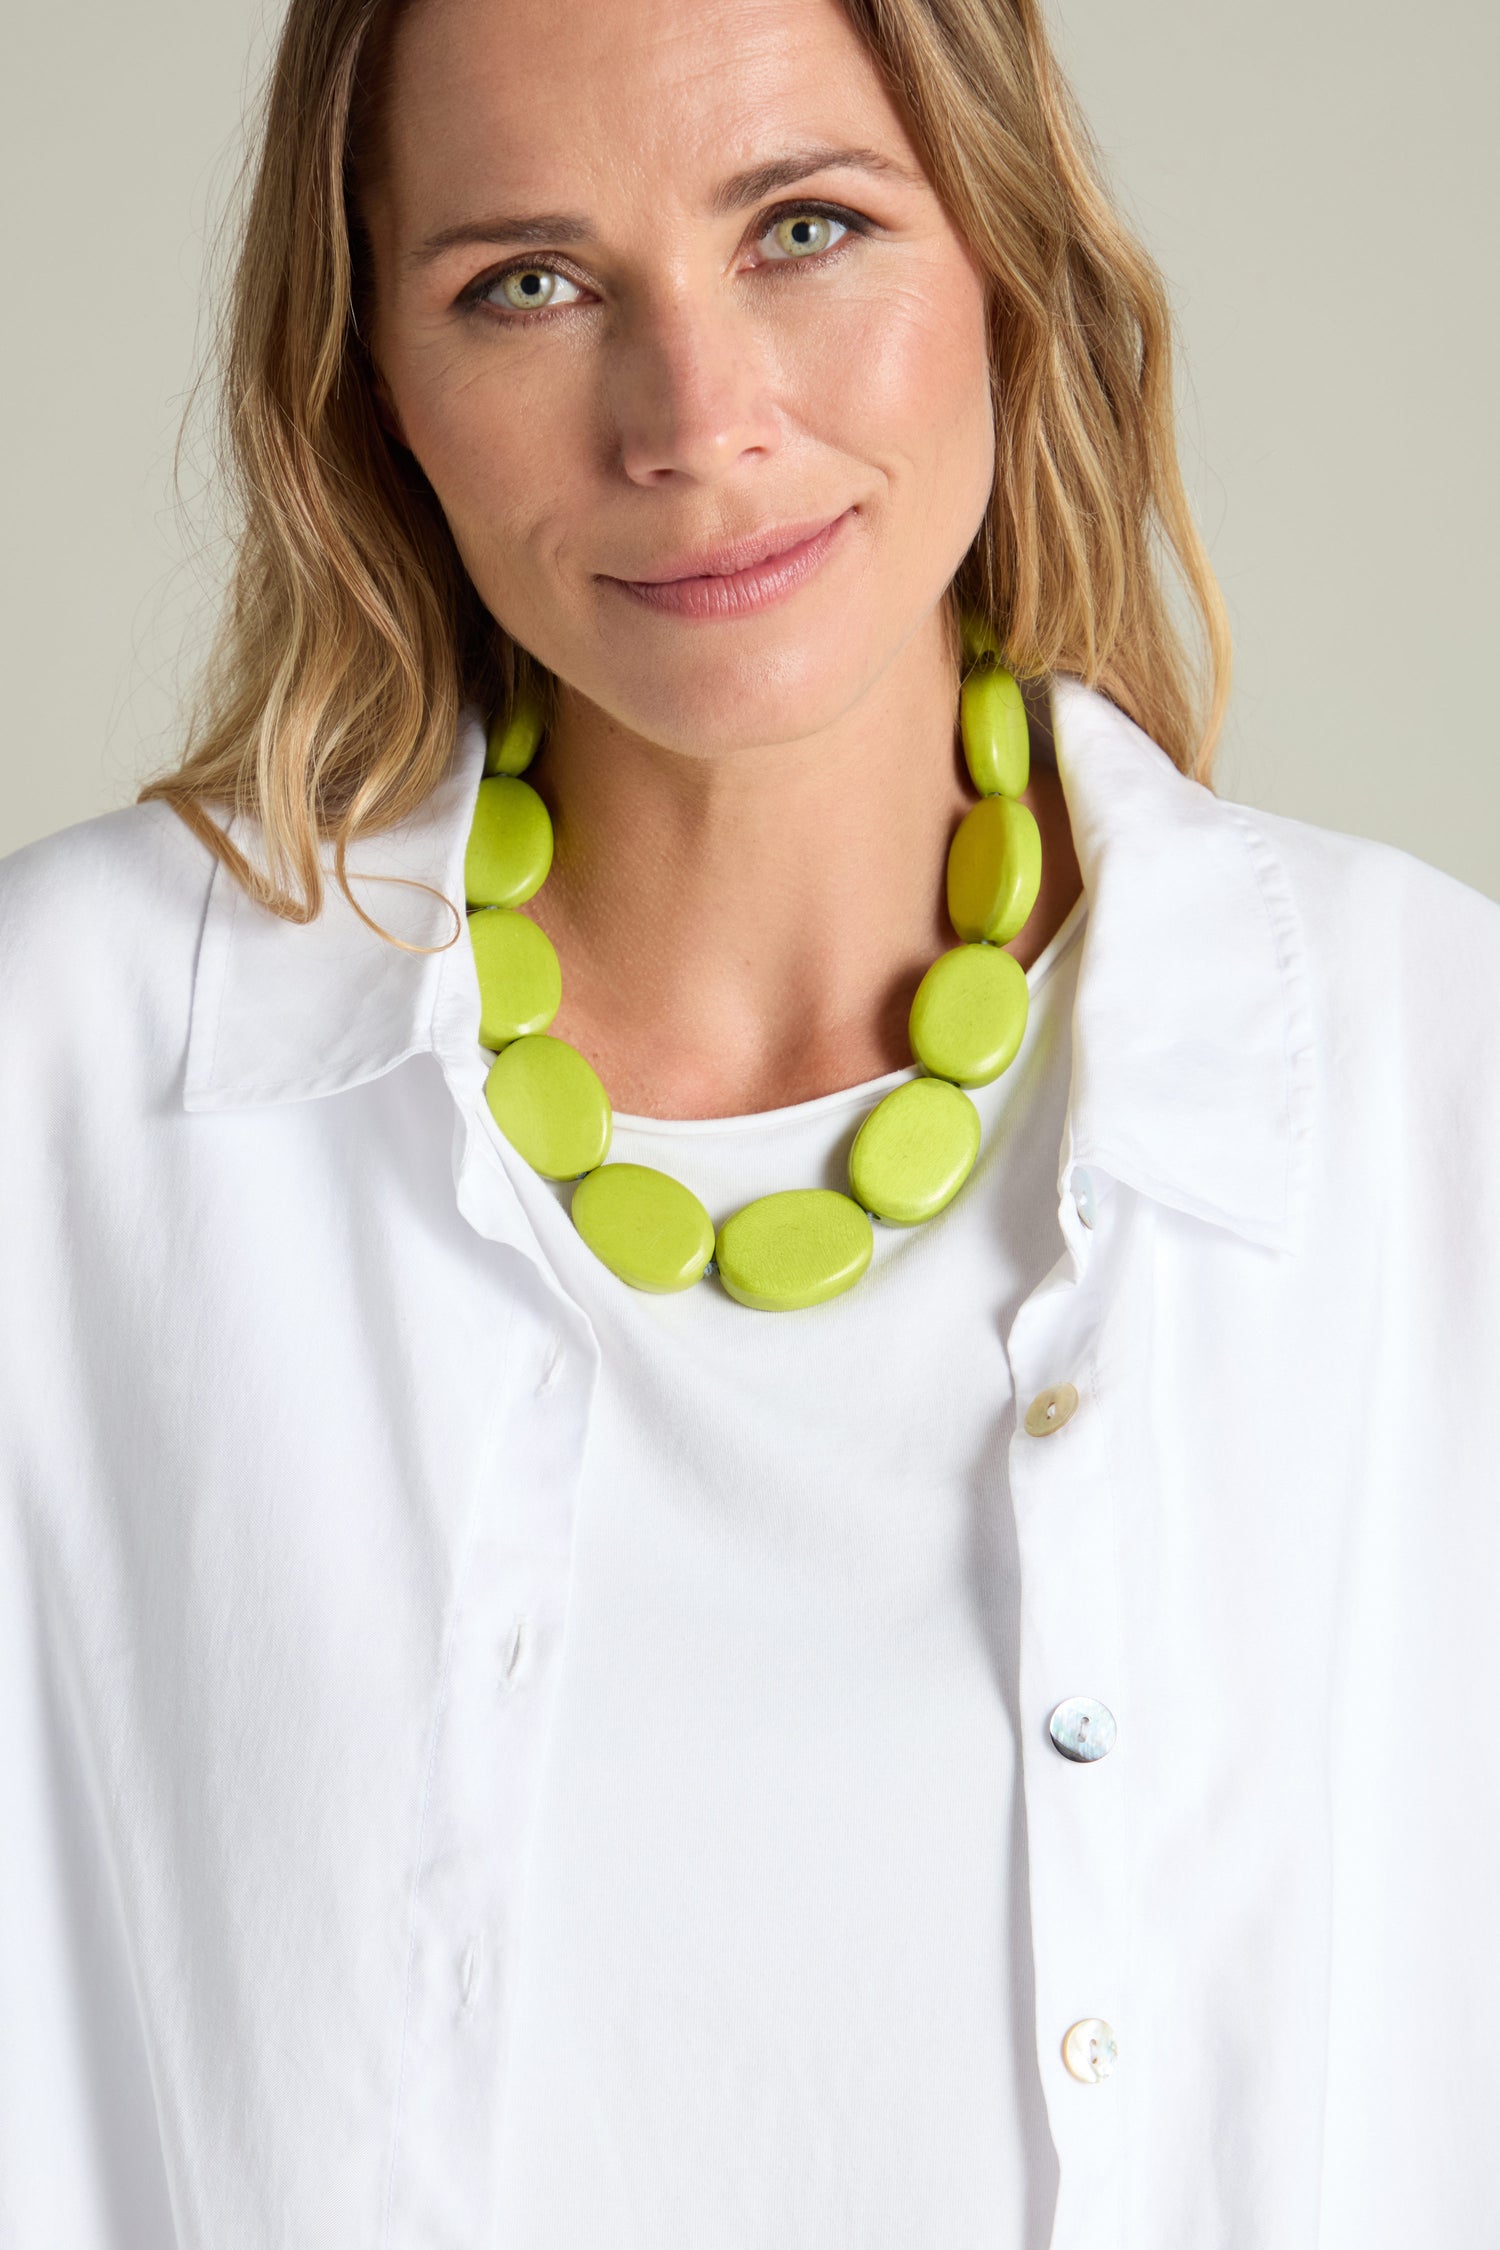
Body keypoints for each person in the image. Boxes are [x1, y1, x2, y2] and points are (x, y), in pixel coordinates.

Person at [2, 0, 1497, 2242]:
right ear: (373, 390)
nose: (695, 421)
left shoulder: (1429, 1075)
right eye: (527, 281)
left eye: (805, 226)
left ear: (1001, 252)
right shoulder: (61, 1081)